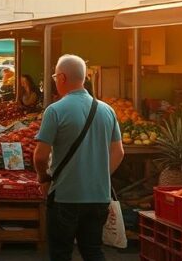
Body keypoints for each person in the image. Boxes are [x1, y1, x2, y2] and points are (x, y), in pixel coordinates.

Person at [33, 54, 124, 261]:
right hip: (98, 196)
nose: (55, 80)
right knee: (92, 250)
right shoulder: (107, 110)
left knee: (61, 253)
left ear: (62, 77)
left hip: (65, 195)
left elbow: (40, 156)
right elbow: (119, 152)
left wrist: (44, 179)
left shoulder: (55, 110)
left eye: (55, 76)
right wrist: (99, 175)